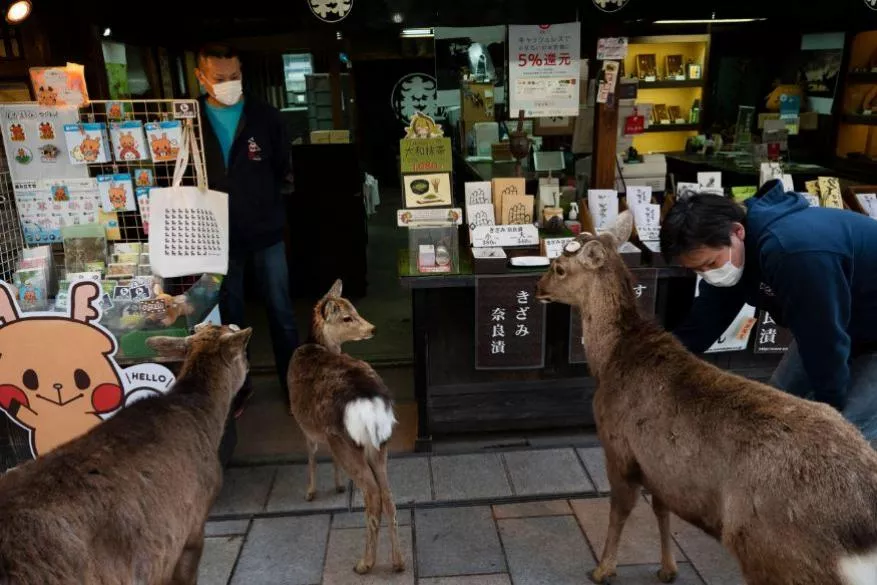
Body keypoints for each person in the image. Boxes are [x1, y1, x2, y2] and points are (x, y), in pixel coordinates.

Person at [661, 179, 877, 440]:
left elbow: (823, 339)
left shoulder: (791, 251)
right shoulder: (735, 253)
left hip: (850, 326)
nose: (709, 274)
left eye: (710, 263)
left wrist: (830, 406)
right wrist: (661, 361)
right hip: (836, 322)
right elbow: (707, 318)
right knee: (774, 411)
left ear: (737, 231)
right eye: (698, 270)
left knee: (847, 434)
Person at [195, 43, 299, 417]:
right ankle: (240, 385)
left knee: (282, 312)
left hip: (266, 230)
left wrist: (266, 203)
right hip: (215, 234)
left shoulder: (265, 117)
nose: (228, 84)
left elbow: (285, 171)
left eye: (235, 77)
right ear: (201, 77)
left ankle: (294, 384)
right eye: (220, 79)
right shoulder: (190, 118)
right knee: (229, 317)